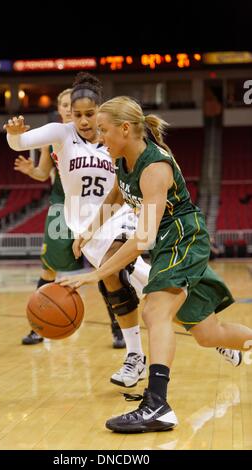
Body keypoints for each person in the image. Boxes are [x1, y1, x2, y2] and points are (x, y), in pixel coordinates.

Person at [59, 96, 252, 432]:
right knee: (209, 334)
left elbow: (142, 239)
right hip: (169, 243)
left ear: (124, 129)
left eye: (103, 130)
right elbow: (117, 196)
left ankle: (157, 404)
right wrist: (88, 232)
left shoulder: (154, 168)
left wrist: (96, 275)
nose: (98, 137)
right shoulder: (124, 160)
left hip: (182, 238)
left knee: (154, 310)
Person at [4, 74, 152, 387]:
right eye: (77, 113)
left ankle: (140, 354)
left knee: (126, 271)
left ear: (101, 110)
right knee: (131, 283)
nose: (84, 121)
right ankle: (145, 350)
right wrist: (14, 136)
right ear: (69, 112)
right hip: (84, 228)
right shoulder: (61, 133)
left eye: (90, 114)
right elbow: (22, 142)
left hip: (120, 215)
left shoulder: (113, 134)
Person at [14, 88, 86, 345]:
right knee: (49, 268)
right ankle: (37, 325)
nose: (68, 108)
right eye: (64, 104)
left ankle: (117, 328)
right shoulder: (53, 136)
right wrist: (30, 170)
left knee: (108, 272)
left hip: (92, 206)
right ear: (59, 108)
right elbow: (44, 174)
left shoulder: (93, 133)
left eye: (72, 104)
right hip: (62, 207)